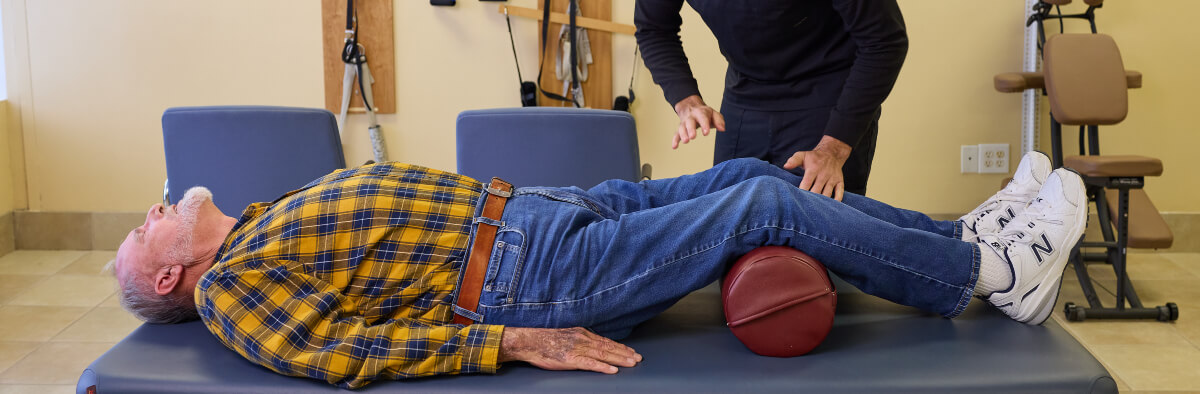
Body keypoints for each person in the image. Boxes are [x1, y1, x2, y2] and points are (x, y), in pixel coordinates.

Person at [110, 153, 1083, 389]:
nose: (156, 208)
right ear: (169, 279)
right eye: (145, 227)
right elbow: (335, 355)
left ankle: (958, 229)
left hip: (546, 213)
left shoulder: (263, 223)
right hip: (531, 277)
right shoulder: (234, 290)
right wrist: (507, 342)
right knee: (764, 206)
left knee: (749, 170)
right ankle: (989, 275)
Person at [634, 0, 908, 201]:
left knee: (818, 236)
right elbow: (654, 28)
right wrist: (686, 101)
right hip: (745, 95)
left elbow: (883, 41)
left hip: (828, 90)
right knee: (728, 227)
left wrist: (834, 148)